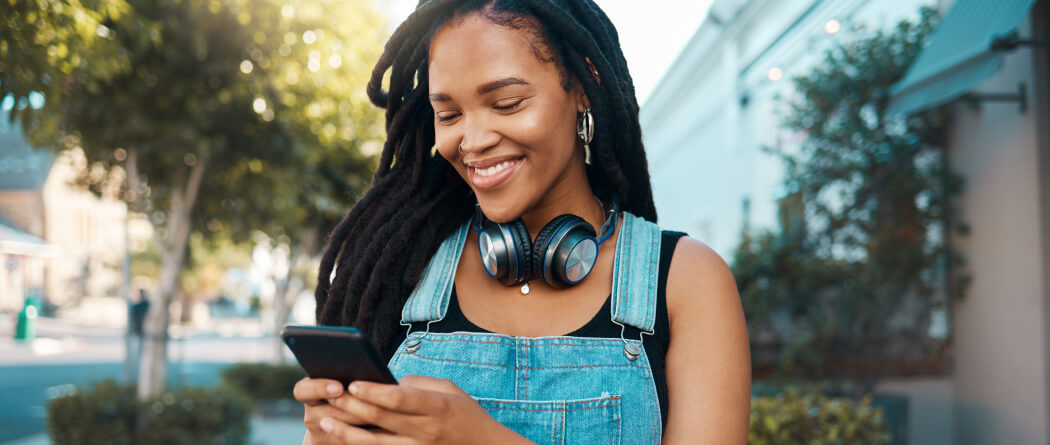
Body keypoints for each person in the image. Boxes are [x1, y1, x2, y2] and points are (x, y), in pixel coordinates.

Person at [293, 1, 751, 443]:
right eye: (449, 115)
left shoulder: (685, 280)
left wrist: (476, 440)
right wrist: (331, 437)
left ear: (583, 88)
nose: (472, 141)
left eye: (507, 103)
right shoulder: (401, 263)